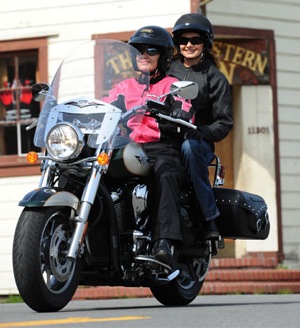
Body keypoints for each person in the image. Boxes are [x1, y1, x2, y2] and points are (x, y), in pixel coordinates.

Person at [102, 25, 194, 265]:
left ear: (163, 56)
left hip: (160, 149)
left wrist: (179, 113)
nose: (143, 55)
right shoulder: (124, 87)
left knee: (164, 171)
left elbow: (185, 107)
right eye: (138, 50)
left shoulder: (172, 85)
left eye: (150, 50)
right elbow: (104, 106)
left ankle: (165, 242)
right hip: (127, 149)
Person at [167, 13, 233, 240]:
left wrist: (199, 132)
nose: (189, 45)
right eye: (183, 41)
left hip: (198, 143)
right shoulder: (167, 71)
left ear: (205, 42)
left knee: (189, 148)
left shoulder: (215, 78)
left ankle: (209, 218)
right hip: (166, 139)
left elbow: (224, 122)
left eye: (195, 40)